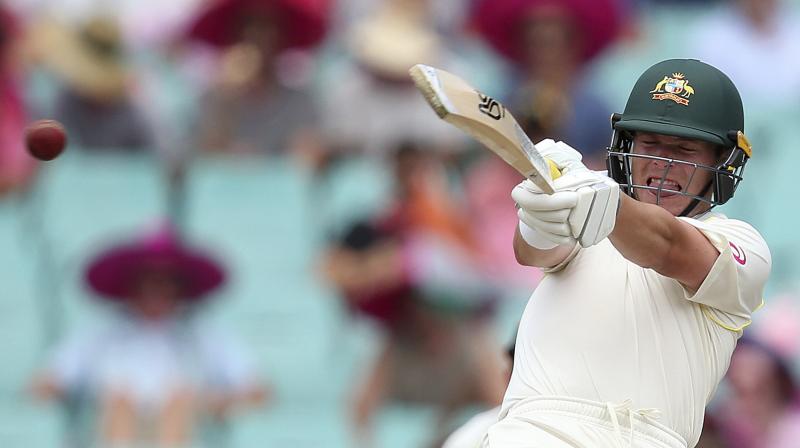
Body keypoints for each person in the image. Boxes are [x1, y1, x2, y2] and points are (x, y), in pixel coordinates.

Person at [485, 59, 772, 448]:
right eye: (650, 143)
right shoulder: (588, 206)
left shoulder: (743, 245)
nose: (663, 162)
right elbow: (534, 251)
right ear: (626, 147)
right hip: (532, 433)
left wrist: (604, 201)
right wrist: (543, 208)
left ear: (723, 163)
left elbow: (668, 246)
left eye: (685, 149)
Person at [30, 224, 268, 448]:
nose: (157, 291)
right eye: (149, 281)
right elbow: (49, 382)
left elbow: (256, 390)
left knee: (178, 402)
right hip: (111, 421)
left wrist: (219, 402)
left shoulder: (203, 333)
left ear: (180, 287)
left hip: (186, 424)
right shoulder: (100, 332)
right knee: (120, 402)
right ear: (132, 284)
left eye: (166, 282)